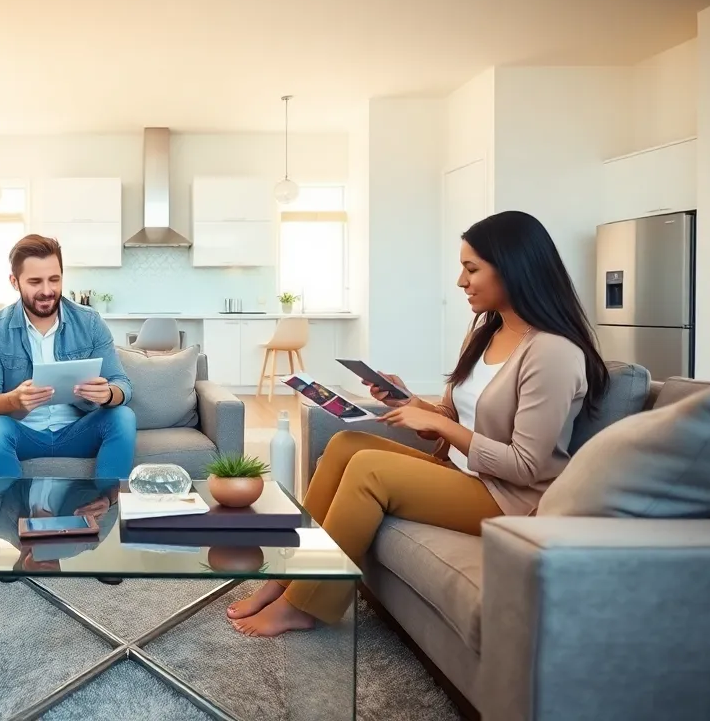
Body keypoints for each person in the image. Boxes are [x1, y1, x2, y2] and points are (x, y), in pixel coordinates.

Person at [227, 210, 609, 637]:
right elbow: (456, 416)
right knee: (346, 444)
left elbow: (527, 466)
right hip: (463, 473)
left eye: (471, 269)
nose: (461, 282)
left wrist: (443, 428)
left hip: (511, 499)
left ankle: (304, 605)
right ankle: (283, 578)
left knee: (370, 471)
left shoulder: (552, 353)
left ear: (514, 269)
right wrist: (411, 403)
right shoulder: (485, 332)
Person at [0, 234, 137, 479]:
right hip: (23, 433)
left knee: (122, 417)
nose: (47, 291)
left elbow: (123, 384)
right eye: (35, 281)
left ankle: (104, 507)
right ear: (15, 282)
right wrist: (12, 401)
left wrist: (109, 394)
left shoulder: (89, 322)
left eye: (54, 279)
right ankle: (15, 510)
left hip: (77, 432)